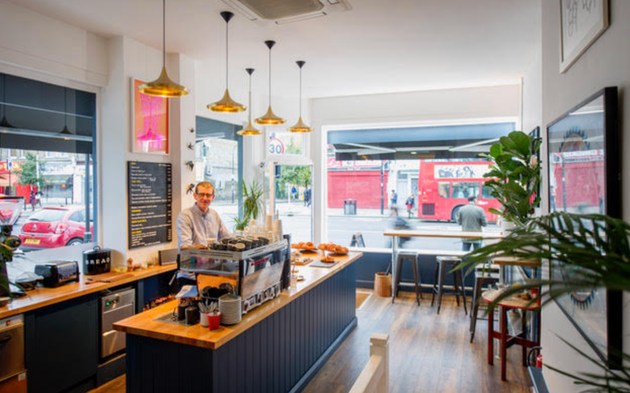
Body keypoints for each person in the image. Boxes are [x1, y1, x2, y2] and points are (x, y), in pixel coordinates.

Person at [176, 181, 231, 249]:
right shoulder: (185, 216)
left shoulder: (215, 215)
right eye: (201, 194)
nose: (205, 198)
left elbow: (227, 238)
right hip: (192, 259)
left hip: (213, 258)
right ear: (195, 196)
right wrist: (203, 249)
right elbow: (185, 246)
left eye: (208, 195)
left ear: (213, 197)